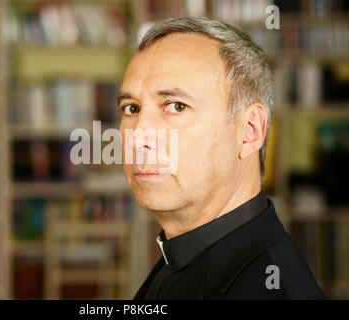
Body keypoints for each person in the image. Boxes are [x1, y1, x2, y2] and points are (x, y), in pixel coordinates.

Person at [117, 17, 326, 299]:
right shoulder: (183, 253)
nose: (139, 136)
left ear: (250, 131)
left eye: (177, 106)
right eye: (131, 108)